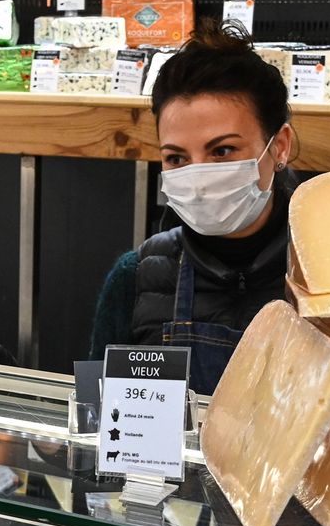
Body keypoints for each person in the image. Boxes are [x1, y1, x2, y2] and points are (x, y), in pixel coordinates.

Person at [89, 20, 298, 394]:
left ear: (279, 146)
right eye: (177, 158)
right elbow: (96, 421)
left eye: (222, 151)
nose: (199, 176)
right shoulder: (134, 278)